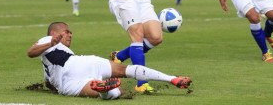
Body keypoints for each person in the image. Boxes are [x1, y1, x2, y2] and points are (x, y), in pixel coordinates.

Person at [27, 22, 192, 100]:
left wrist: (49, 87)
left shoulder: (52, 58)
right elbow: (31, 52)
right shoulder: (48, 39)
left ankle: (103, 88)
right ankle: (172, 79)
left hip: (75, 72)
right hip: (75, 67)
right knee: (126, 71)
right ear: (54, 32)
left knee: (116, 91)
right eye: (66, 31)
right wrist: (51, 42)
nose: (70, 34)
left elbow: (49, 82)